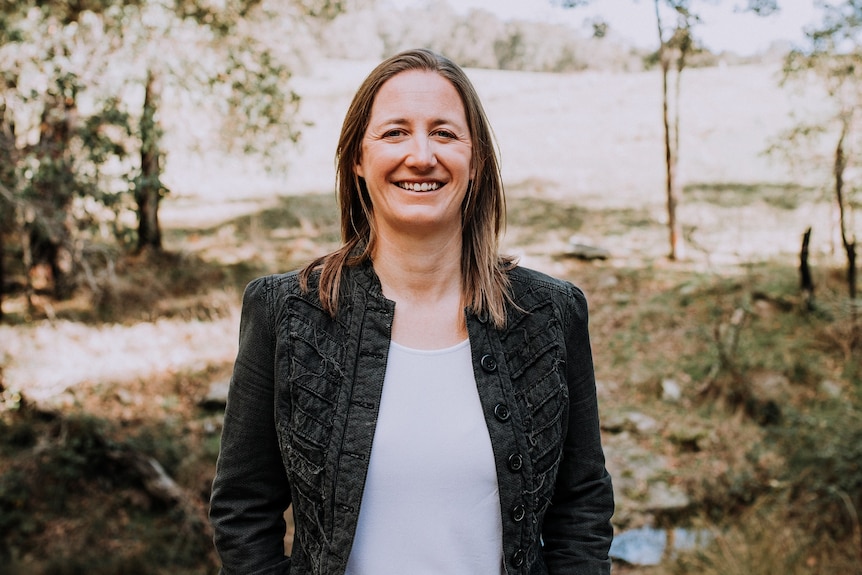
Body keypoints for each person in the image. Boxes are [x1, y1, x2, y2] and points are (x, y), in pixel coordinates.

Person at [209, 48, 614, 575]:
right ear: (357, 157)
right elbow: (242, 509)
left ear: (477, 159)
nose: (421, 155)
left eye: (444, 133)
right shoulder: (285, 314)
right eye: (395, 132)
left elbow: (582, 506)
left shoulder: (550, 315)